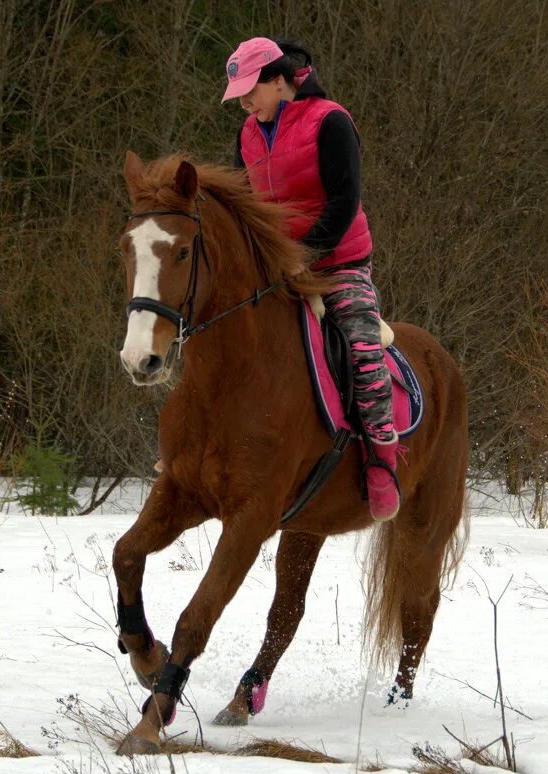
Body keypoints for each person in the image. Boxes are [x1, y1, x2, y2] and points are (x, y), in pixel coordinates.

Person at [222, 36, 400, 520]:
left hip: (337, 264)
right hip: (277, 269)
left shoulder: (331, 121)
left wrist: (308, 254)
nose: (243, 102)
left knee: (363, 351)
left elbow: (345, 200)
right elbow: (247, 208)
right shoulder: (247, 134)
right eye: (237, 95)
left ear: (278, 81)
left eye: (249, 91)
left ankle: (383, 459)